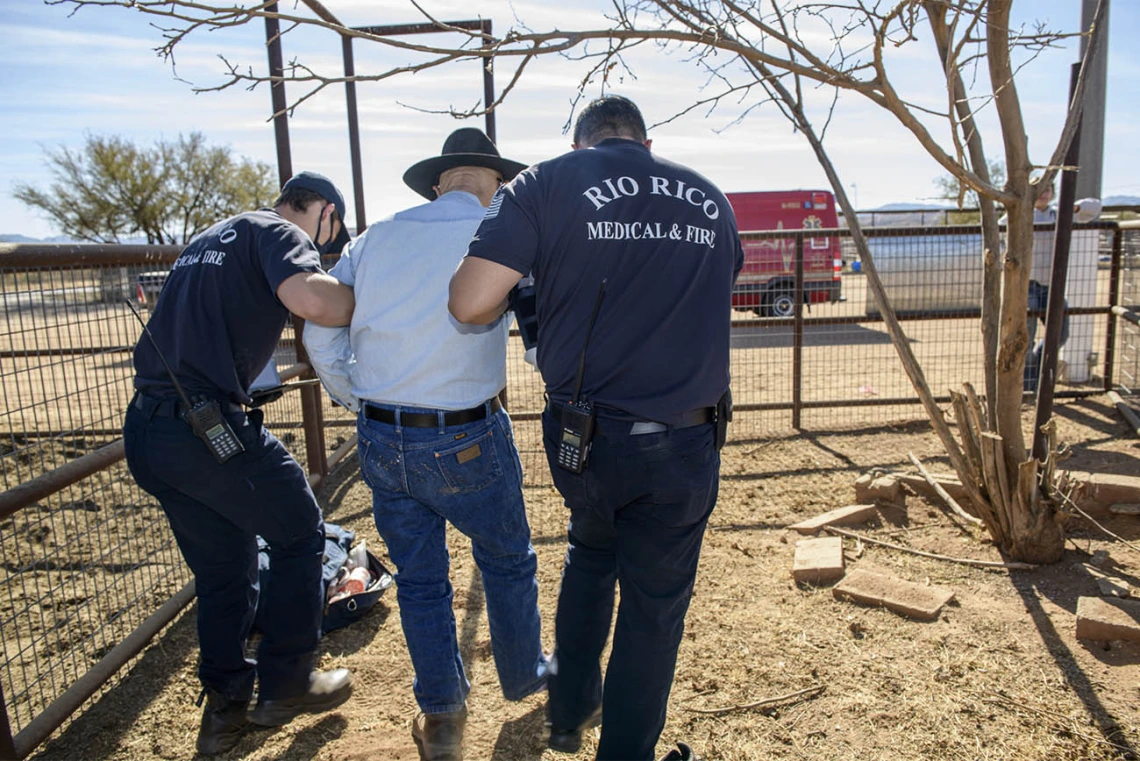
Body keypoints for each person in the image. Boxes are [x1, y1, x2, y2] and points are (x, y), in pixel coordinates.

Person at [449, 96, 743, 761]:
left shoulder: (547, 181)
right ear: (644, 139)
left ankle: (568, 712)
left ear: (582, 142)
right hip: (685, 443)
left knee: (591, 548)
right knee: (654, 610)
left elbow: (468, 301)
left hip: (586, 442)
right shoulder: (709, 197)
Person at [303, 128, 548, 761]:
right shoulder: (503, 235)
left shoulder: (376, 236)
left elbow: (321, 328)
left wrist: (359, 397)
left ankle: (441, 716)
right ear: (494, 183)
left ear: (439, 181)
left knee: (420, 580)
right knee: (507, 559)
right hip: (467, 429)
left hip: (385, 432)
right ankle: (525, 676)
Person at [122, 171, 357, 756]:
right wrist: (369, 297)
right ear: (323, 211)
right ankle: (288, 681)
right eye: (329, 238)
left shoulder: (210, 236)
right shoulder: (278, 232)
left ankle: (225, 711)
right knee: (302, 533)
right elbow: (312, 301)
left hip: (149, 429)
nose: (324, 248)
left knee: (226, 570)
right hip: (206, 430)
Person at [1011, 179, 1102, 392]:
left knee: (1060, 333)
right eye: (1039, 189)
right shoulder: (1019, 214)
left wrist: (1074, 206)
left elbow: (1095, 207)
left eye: (1048, 189)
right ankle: (1029, 386)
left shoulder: (1058, 214)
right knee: (1027, 335)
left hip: (1052, 286)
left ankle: (1035, 368)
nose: (1043, 194)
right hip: (1027, 286)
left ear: (1053, 193)